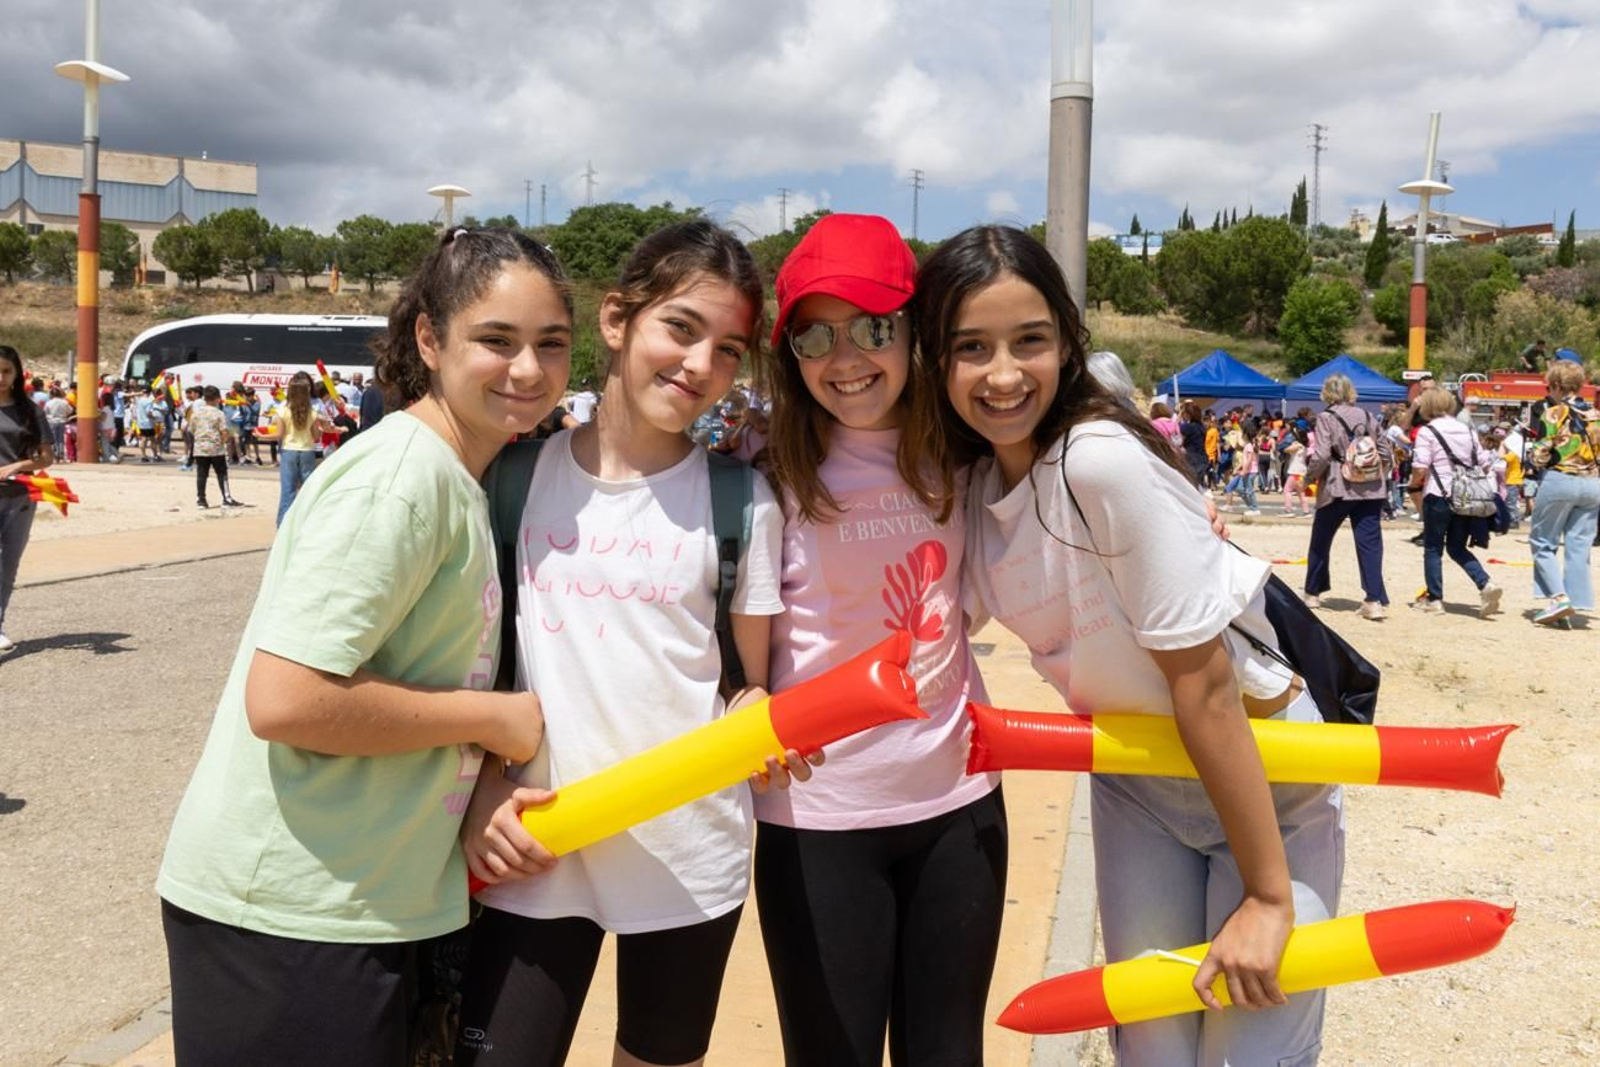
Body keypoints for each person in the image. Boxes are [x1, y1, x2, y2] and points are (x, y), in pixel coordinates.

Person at [920, 225, 1339, 1066]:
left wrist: (1264, 895)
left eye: (1029, 341)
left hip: (1265, 780)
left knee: (1246, 1052)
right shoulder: (971, 486)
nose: (1003, 374)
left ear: (1068, 344)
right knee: (1152, 1048)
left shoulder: (1100, 461)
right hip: (1138, 784)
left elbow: (1207, 686)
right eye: (971, 347)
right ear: (936, 361)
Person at [156, 227, 573, 1064]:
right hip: (286, 914)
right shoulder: (401, 479)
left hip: (353, 901)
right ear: (430, 337)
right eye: (496, 340)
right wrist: (494, 718)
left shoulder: (456, 476)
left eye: (552, 344)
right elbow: (286, 698)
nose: (527, 369)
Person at [455, 220, 800, 1067]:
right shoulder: (510, 476)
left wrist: (758, 712)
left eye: (728, 350)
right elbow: (470, 667)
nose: (700, 366)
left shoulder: (742, 501)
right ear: (617, 320)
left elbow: (743, 687)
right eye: (681, 328)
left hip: (689, 859)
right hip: (533, 850)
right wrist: (480, 796)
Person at [751, 213, 1005, 1065]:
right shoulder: (771, 474)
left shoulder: (969, 452)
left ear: (913, 332)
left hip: (959, 804)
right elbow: (741, 667)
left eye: (872, 327)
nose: (846, 358)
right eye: (813, 336)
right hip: (818, 819)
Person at [1302, 374, 1392, 620]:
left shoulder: (1326, 418)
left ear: (1326, 392)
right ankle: (1374, 600)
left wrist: (1309, 477)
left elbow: (1320, 455)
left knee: (1321, 540)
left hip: (1337, 487)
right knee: (1370, 544)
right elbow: (1386, 451)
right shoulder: (1367, 415)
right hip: (1371, 488)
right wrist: (1374, 471)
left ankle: (1313, 593)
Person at [1406, 388, 1502, 616]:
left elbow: (1420, 466)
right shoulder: (1467, 430)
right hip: (1466, 496)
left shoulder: (1427, 432)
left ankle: (1435, 599)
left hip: (1438, 494)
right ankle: (1485, 583)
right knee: (1457, 547)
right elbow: (1485, 462)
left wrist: (1413, 484)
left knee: (1432, 547)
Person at [1525, 359, 1600, 624]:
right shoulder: (1595, 415)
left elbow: (1541, 453)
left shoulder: (1553, 413)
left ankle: (1558, 598)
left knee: (1543, 541)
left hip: (1562, 479)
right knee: (1579, 546)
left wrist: (1535, 458)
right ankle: (1575, 601)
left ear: (1556, 386)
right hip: (1592, 483)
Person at [0, 345, 56, 655]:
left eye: (7, 371)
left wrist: (17, 465)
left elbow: (46, 458)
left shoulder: (30, 410)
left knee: (8, 563)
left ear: (17, 373)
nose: (1, 377)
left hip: (19, 497)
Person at [270, 372, 335, 527]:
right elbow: (316, 435)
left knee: (288, 491)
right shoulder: (313, 411)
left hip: (289, 450)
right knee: (308, 490)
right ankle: (308, 523)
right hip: (307, 451)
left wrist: (260, 434)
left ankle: (283, 526)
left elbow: (278, 433)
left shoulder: (283, 410)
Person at [189, 386, 242, 509]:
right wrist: (224, 440)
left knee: (201, 474)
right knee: (221, 473)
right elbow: (224, 431)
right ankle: (226, 498)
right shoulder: (219, 413)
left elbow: (192, 430)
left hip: (200, 448)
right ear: (217, 398)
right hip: (216, 448)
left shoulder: (196, 414)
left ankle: (201, 500)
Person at [1178, 401, 1209, 486]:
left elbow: (1178, 439)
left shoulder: (1187, 427)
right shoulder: (1202, 427)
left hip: (1191, 459)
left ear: (1188, 414)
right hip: (1202, 458)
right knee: (1198, 485)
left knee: (1189, 486)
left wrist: (1179, 416)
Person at [1280, 427, 1310, 514]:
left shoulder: (1298, 445)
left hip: (1295, 472)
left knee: (1287, 490)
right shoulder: (1303, 446)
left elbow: (1286, 450)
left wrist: (1289, 443)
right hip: (1301, 472)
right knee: (1300, 492)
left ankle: (1288, 510)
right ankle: (1306, 510)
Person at [43, 387, 73, 461]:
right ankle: (61, 452)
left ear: (52, 395)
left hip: (52, 422)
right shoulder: (64, 402)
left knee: (53, 438)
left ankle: (55, 453)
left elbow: (45, 412)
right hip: (62, 421)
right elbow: (70, 411)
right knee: (61, 438)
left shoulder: (49, 402)